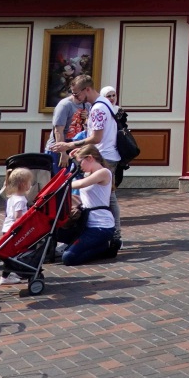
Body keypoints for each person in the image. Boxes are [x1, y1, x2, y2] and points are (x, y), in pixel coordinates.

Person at [50, 76, 121, 254]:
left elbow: (96, 138)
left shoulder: (97, 108)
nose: (76, 97)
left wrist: (69, 145)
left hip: (102, 156)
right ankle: (111, 235)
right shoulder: (104, 103)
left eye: (77, 93)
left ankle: (111, 236)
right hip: (103, 154)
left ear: (87, 89)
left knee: (104, 198)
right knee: (107, 197)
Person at [62, 145, 117, 266]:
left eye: (80, 162)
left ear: (90, 158)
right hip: (86, 224)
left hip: (101, 227)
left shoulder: (104, 172)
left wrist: (62, 185)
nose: (79, 166)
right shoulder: (89, 173)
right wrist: (72, 159)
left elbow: (81, 183)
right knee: (55, 233)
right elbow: (74, 175)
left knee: (68, 258)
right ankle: (93, 245)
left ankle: (104, 247)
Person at [0, 167, 33, 285]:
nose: (30, 185)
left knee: (11, 253)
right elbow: (18, 217)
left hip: (7, 228)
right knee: (13, 254)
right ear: (23, 184)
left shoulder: (12, 197)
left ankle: (12, 273)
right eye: (29, 182)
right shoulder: (21, 200)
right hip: (14, 230)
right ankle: (6, 276)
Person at [50, 82, 85, 171]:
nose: (74, 94)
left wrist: (87, 118)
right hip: (59, 150)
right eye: (73, 92)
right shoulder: (64, 105)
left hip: (76, 148)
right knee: (60, 180)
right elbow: (58, 130)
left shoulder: (87, 105)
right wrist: (63, 153)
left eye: (77, 92)